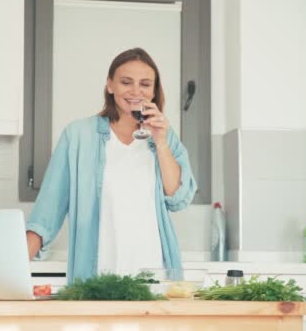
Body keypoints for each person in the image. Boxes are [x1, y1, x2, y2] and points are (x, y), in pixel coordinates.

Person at [26, 47, 197, 283]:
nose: (136, 91)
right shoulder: (78, 135)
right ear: (110, 85)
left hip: (154, 273)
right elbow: (48, 208)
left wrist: (161, 142)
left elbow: (179, 196)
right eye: (126, 82)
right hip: (97, 275)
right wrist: (14, 267)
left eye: (145, 84)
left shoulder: (164, 135)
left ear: (154, 90)